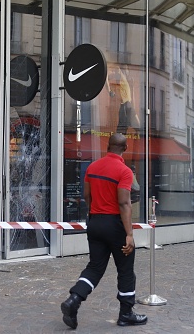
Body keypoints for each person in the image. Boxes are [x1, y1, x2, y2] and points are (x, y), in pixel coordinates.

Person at [60, 133, 147, 329]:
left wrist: (94, 216)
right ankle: (126, 314)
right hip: (115, 225)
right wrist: (129, 234)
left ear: (108, 146)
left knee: (95, 267)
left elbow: (86, 196)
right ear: (125, 149)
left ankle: (74, 300)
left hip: (95, 222)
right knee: (125, 270)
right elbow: (124, 203)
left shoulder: (92, 167)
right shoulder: (124, 171)